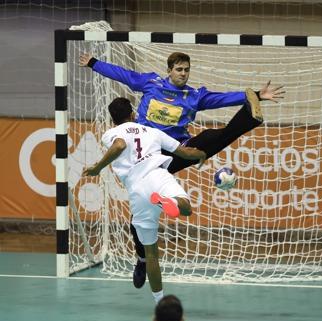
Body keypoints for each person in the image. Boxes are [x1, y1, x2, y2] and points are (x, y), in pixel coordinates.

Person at [79, 51, 285, 289]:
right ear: (169, 70)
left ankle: (249, 115)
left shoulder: (194, 96)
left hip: (178, 150)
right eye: (179, 70)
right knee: (139, 217)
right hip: (149, 155)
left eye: (187, 70)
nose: (183, 74)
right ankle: (143, 259)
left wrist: (256, 95)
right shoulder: (151, 83)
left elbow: (222, 99)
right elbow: (124, 75)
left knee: (211, 137)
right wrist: (94, 63)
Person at [82, 97, 206, 304]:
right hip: (158, 176)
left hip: (138, 189)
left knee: (151, 253)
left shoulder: (111, 133)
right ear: (132, 114)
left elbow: (120, 144)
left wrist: (97, 167)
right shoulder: (153, 132)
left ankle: (160, 302)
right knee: (186, 208)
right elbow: (184, 152)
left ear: (113, 120)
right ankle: (169, 202)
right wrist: (201, 154)